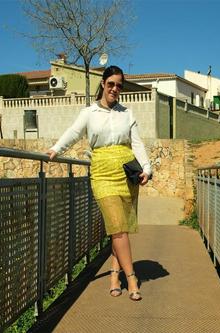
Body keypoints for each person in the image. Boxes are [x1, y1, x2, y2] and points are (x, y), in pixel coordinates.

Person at [47, 65, 152, 301]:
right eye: (111, 84)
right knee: (117, 225)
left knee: (119, 229)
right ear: (103, 84)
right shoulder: (89, 112)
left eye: (119, 85)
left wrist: (147, 168)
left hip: (126, 174)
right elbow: (74, 132)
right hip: (102, 174)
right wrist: (56, 148)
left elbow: (136, 143)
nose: (115, 89)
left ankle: (114, 275)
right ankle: (132, 278)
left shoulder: (127, 113)